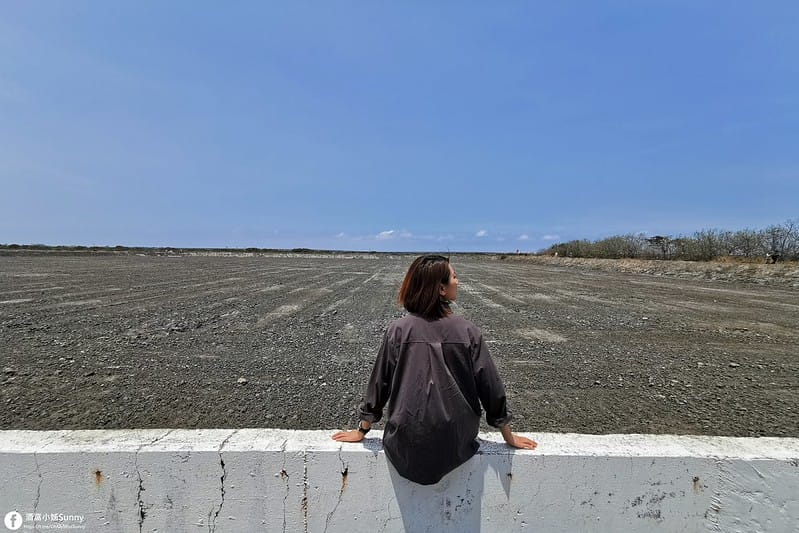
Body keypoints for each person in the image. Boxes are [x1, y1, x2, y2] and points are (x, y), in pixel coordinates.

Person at [332, 254, 537, 485]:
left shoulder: (398, 331)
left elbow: (380, 384)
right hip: (456, 441)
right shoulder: (468, 331)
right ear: (441, 289)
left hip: (405, 441)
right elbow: (490, 387)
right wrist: (508, 435)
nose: (458, 281)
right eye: (454, 276)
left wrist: (362, 430)